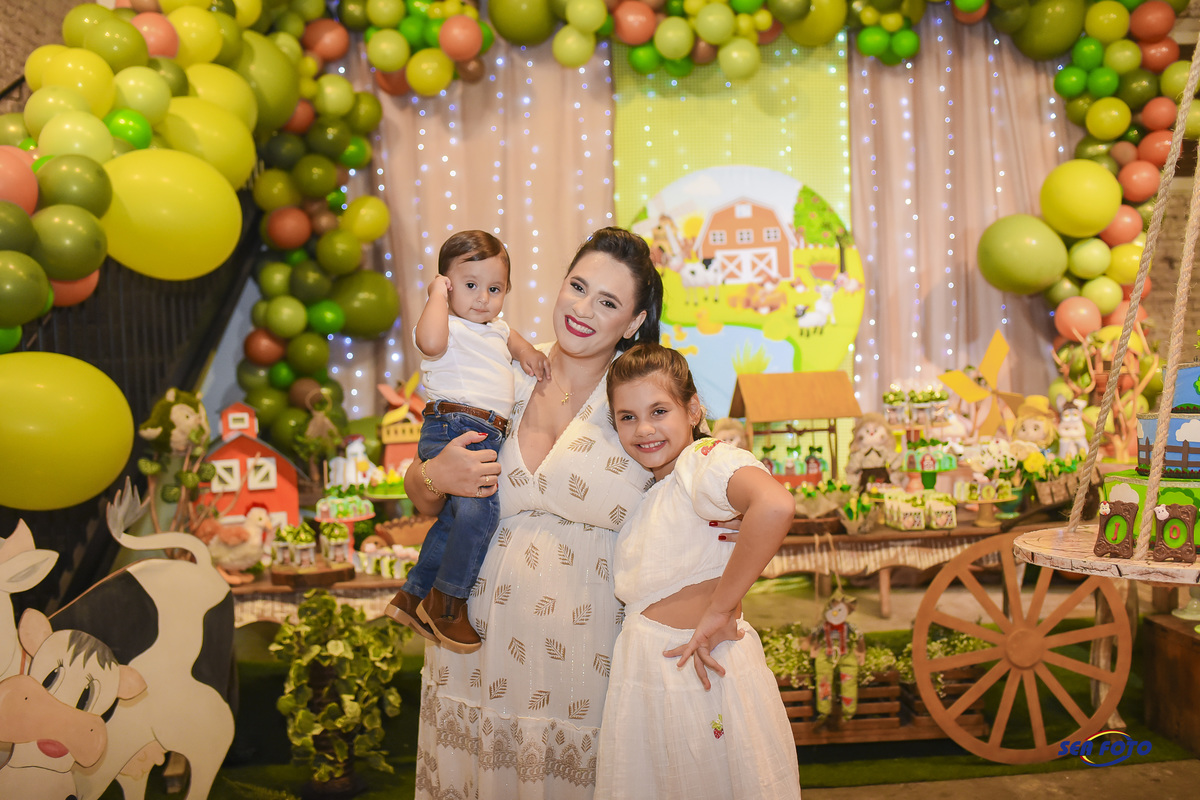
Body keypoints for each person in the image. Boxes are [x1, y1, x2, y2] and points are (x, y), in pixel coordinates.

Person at [407, 228, 706, 799]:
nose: (583, 310)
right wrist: (434, 475)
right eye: (578, 287)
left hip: (591, 665)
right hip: (471, 652)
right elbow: (424, 496)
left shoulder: (643, 398)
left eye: (608, 302)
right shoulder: (502, 363)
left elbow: (697, 511)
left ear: (635, 321)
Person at [595, 343, 801, 799]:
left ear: (692, 410)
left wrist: (721, 609)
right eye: (627, 417)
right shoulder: (661, 485)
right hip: (653, 672)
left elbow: (775, 505)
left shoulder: (702, 460)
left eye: (659, 411)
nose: (643, 428)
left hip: (696, 670)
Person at [385, 230, 549, 653]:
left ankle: (412, 596)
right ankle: (447, 602)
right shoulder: (446, 324)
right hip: (455, 424)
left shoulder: (498, 329)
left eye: (495, 289)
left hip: (484, 429)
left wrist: (530, 354)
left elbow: (517, 344)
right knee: (481, 512)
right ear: (447, 283)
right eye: (470, 285)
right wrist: (436, 297)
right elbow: (429, 342)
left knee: (455, 519)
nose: (482, 298)